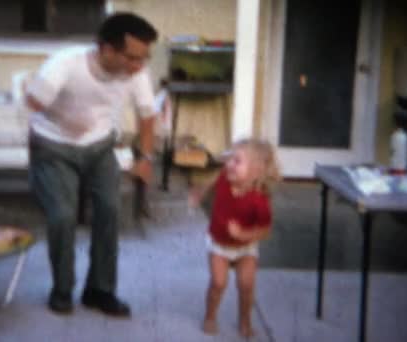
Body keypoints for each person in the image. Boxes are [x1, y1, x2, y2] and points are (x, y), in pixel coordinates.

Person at [25, 13, 158, 317]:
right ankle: (62, 290)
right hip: (53, 147)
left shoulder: (136, 73)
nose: (139, 66)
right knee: (62, 216)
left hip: (99, 147)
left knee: (110, 211)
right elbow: (31, 100)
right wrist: (63, 117)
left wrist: (145, 158)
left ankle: (100, 291)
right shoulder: (65, 63)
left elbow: (147, 115)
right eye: (132, 57)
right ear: (106, 49)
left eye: (144, 58)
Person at [189, 139, 280, 337]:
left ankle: (245, 321)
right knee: (218, 283)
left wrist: (243, 234)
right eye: (230, 159)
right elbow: (213, 182)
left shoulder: (259, 200)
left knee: (246, 285)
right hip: (219, 244)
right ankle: (210, 316)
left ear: (256, 171)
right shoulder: (224, 178)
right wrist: (200, 194)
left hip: (246, 247)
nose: (229, 164)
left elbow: (265, 230)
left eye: (237, 161)